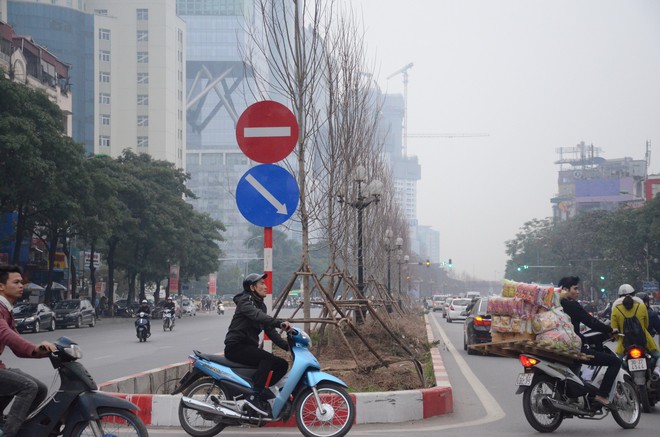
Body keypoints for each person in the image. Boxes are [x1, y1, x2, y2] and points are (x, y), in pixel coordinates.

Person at [224, 273, 292, 416]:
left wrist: (288, 346)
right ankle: (254, 396)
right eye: (261, 283)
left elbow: (270, 331)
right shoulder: (245, 300)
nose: (265, 286)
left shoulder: (260, 305)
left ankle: (264, 392)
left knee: (282, 364)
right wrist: (279, 322)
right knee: (266, 358)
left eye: (264, 283)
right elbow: (257, 315)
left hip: (248, 347)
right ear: (252, 287)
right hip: (236, 346)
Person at [0, 265, 56, 437]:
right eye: (16, 282)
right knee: (28, 386)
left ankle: (12, 425)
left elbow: (18, 347)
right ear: (1, 286)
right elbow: (6, 334)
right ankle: (10, 433)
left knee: (40, 388)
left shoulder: (6, 310)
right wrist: (34, 348)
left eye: (21, 282)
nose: (21, 285)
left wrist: (44, 351)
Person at [559, 276, 621, 407]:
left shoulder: (553, 305)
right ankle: (602, 395)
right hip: (572, 347)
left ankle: (573, 395)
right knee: (615, 361)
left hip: (556, 346)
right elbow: (590, 321)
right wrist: (610, 330)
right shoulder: (571, 305)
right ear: (565, 290)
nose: (578, 291)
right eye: (575, 288)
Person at [611, 287, 660, 377]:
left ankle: (624, 380)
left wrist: (619, 338)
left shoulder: (615, 309)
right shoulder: (641, 306)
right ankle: (657, 371)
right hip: (645, 341)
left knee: (617, 362)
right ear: (634, 294)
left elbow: (615, 330)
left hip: (624, 344)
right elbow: (646, 324)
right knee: (658, 356)